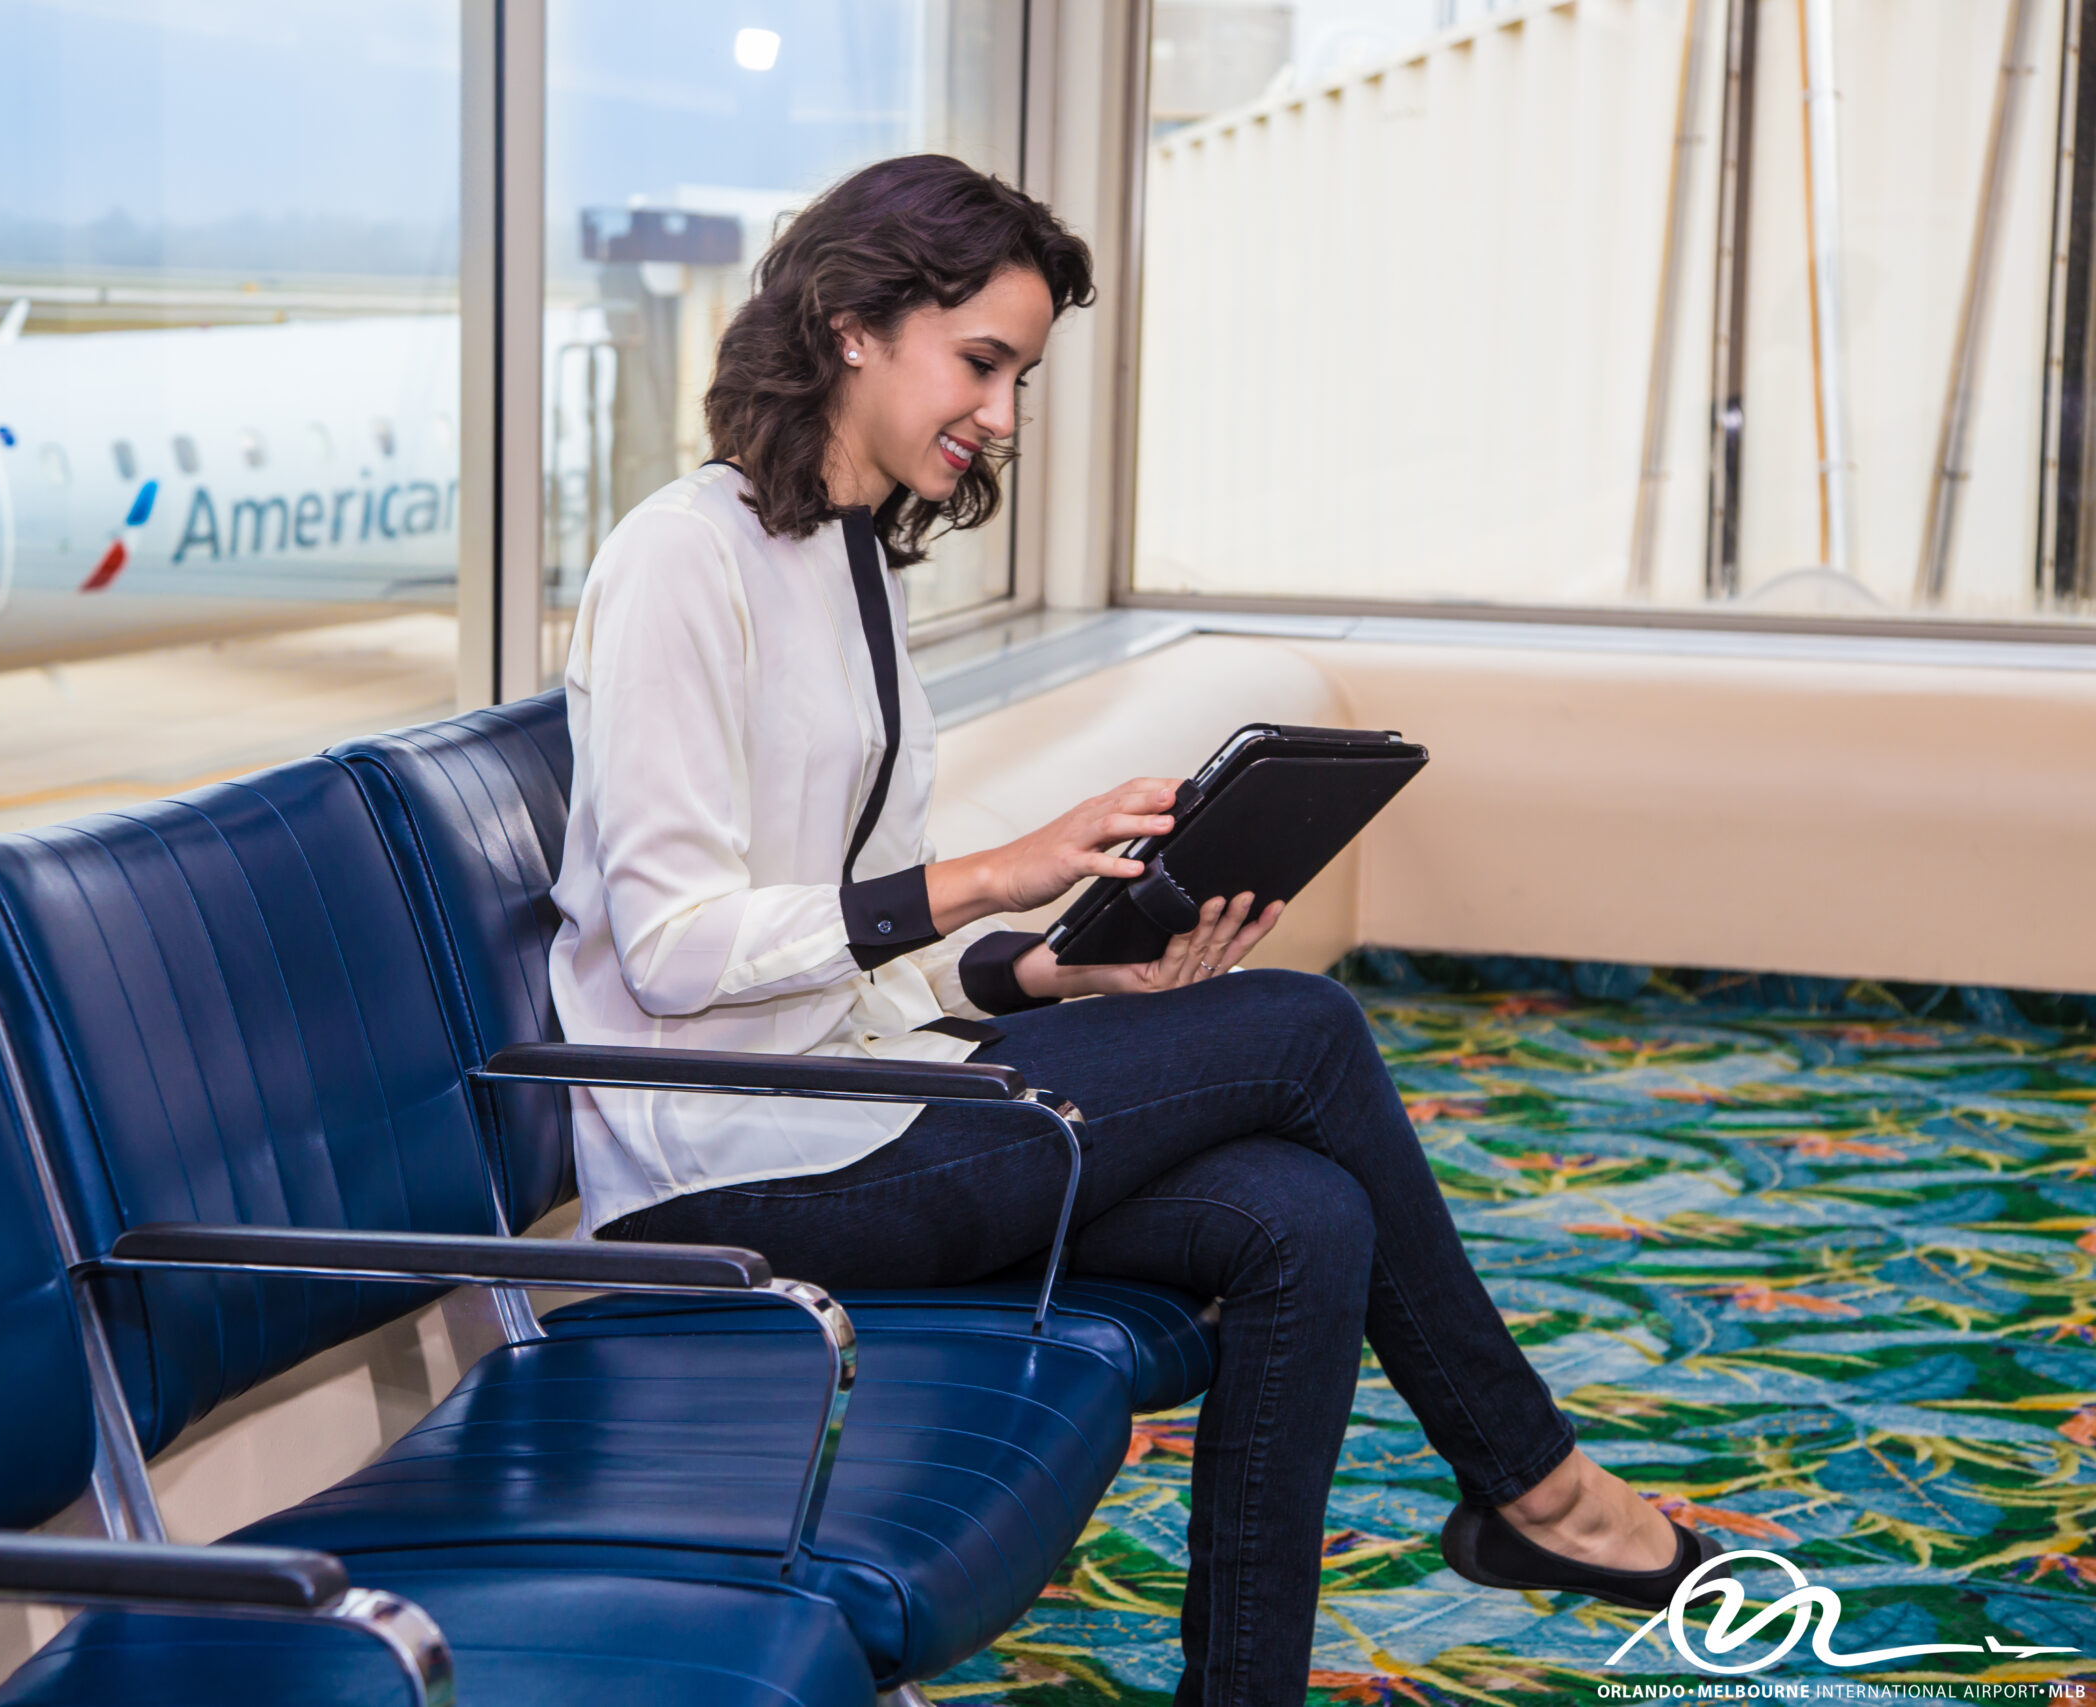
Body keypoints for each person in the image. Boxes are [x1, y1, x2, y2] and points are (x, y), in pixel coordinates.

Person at [548, 153, 1720, 1704]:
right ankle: (1540, 1492)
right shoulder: (678, 565)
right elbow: (682, 951)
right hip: (733, 1177)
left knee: (1304, 1217)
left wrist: (1047, 964)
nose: (1006, 416)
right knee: (1307, 1027)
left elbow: (858, 962)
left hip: (869, 1102)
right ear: (849, 322)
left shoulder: (852, 560)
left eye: (1021, 375)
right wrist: (989, 875)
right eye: (983, 363)